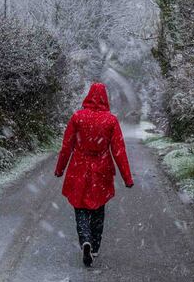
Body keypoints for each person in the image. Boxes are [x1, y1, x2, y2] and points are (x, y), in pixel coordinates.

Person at [54, 83, 134, 267]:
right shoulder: (110, 120)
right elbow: (119, 150)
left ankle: (85, 240)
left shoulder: (77, 118)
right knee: (98, 207)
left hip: (79, 167)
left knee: (79, 205)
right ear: (105, 98)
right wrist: (127, 178)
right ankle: (95, 245)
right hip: (102, 168)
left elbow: (67, 146)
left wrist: (60, 169)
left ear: (88, 96)